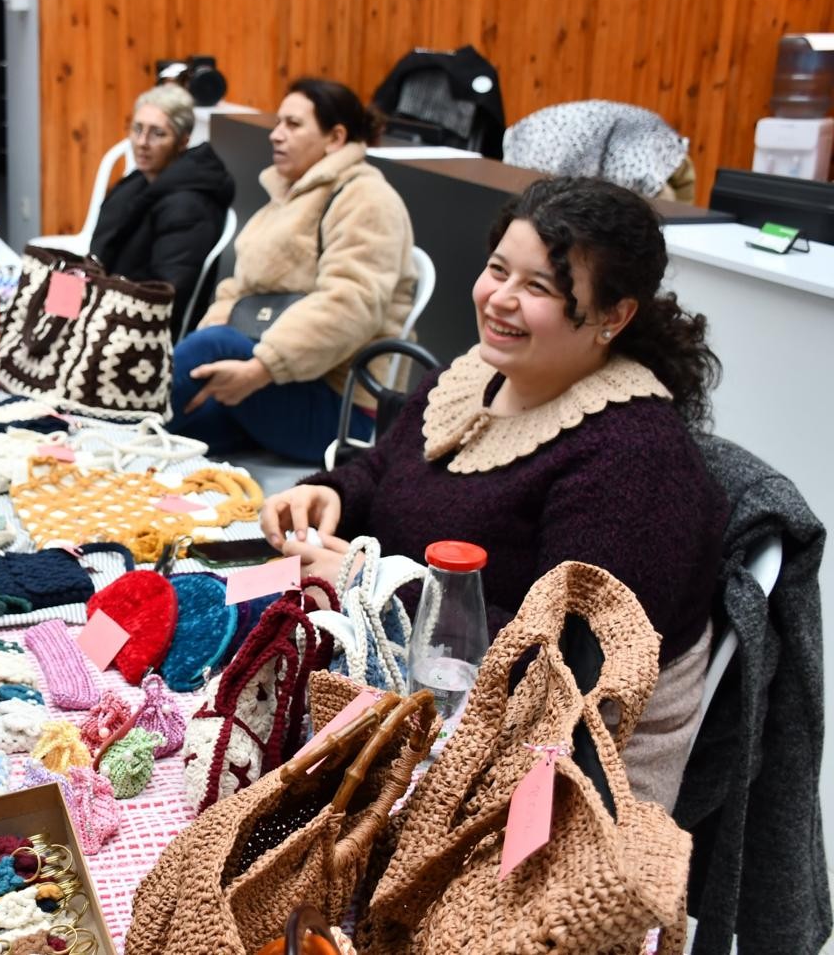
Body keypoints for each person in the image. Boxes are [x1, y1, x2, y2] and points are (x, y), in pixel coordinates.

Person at [259, 176, 726, 809]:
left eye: (538, 287)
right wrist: (331, 493)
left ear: (613, 316)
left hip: (552, 779)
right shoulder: (478, 374)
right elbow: (390, 471)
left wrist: (376, 585)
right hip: (419, 706)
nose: (500, 299)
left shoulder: (633, 458)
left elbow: (573, 669)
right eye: (497, 270)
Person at [169, 77, 417, 461]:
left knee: (211, 347)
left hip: (343, 411)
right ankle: (81, 444)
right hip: (273, 386)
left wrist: (262, 368)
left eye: (293, 124)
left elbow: (350, 304)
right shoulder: (285, 199)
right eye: (278, 122)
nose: (276, 135)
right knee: (176, 434)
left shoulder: (368, 199)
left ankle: (85, 422)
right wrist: (214, 372)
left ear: (335, 138)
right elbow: (236, 292)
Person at [90, 84, 235, 331]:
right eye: (137, 129)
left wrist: (85, 308)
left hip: (135, 328)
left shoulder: (189, 206)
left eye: (157, 133)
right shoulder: (137, 183)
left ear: (183, 141)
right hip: (107, 302)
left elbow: (164, 298)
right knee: (42, 308)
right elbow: (95, 261)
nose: (142, 142)